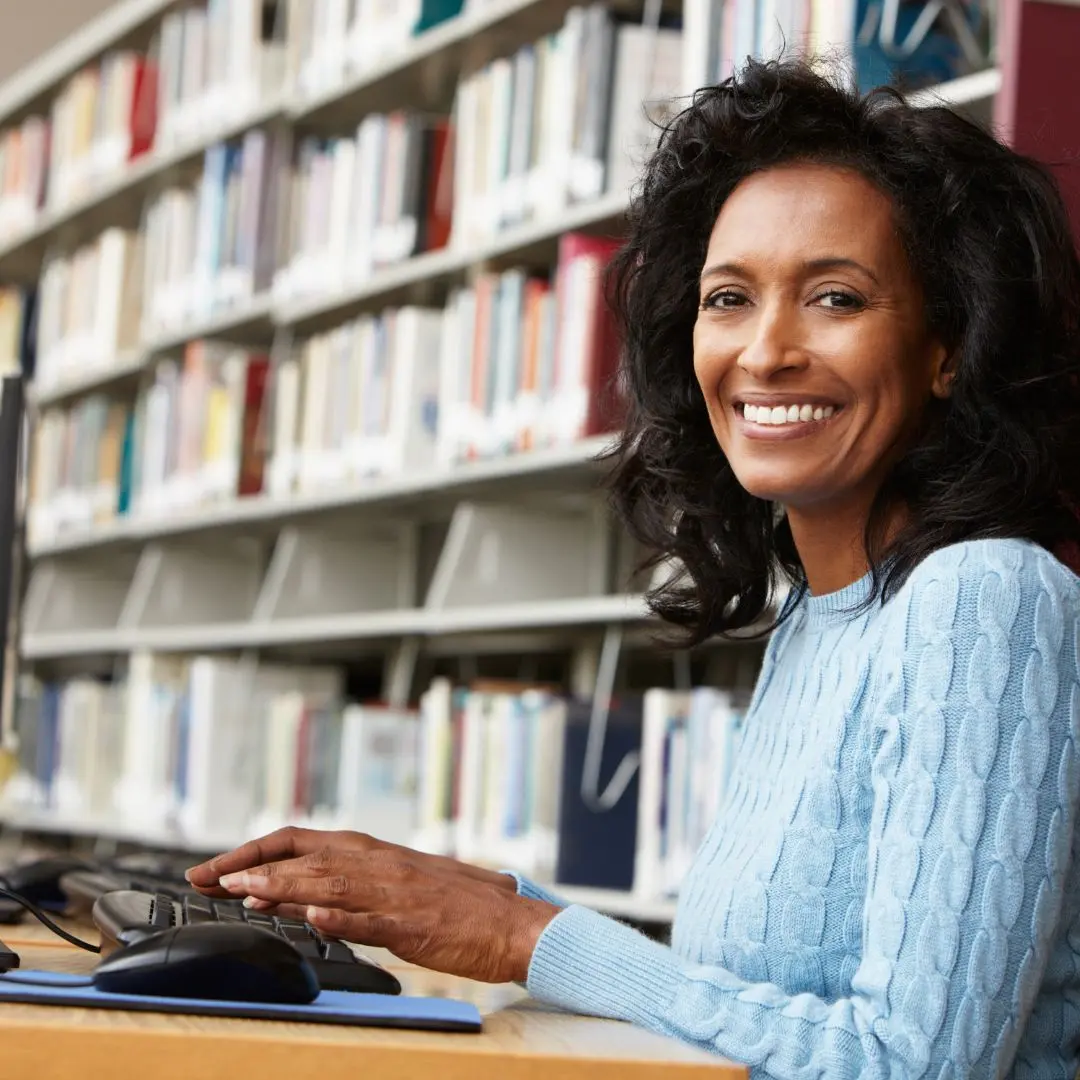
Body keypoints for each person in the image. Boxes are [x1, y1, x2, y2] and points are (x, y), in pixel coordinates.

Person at [186, 58, 1080, 1078]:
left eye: (835, 298)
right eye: (729, 298)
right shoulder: (823, 618)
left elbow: (915, 1066)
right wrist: (479, 908)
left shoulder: (984, 601)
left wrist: (524, 936)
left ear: (947, 348)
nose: (766, 351)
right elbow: (752, 1007)